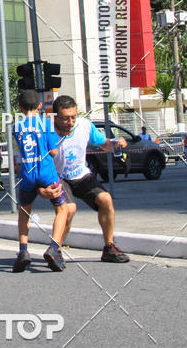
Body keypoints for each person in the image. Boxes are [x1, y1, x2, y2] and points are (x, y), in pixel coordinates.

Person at [51, 94, 130, 262]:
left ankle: (109, 247)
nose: (70, 123)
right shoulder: (47, 132)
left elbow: (105, 144)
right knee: (69, 210)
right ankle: (55, 250)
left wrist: (117, 144)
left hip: (81, 175)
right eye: (65, 119)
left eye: (73, 117)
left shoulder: (85, 125)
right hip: (59, 177)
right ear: (56, 117)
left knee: (106, 199)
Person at [11, 90, 68, 273]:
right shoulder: (46, 124)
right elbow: (53, 152)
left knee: (24, 211)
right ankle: (54, 247)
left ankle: (23, 250)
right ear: (40, 106)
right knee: (62, 209)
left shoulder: (17, 126)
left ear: (19, 107)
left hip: (27, 173)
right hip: (47, 173)